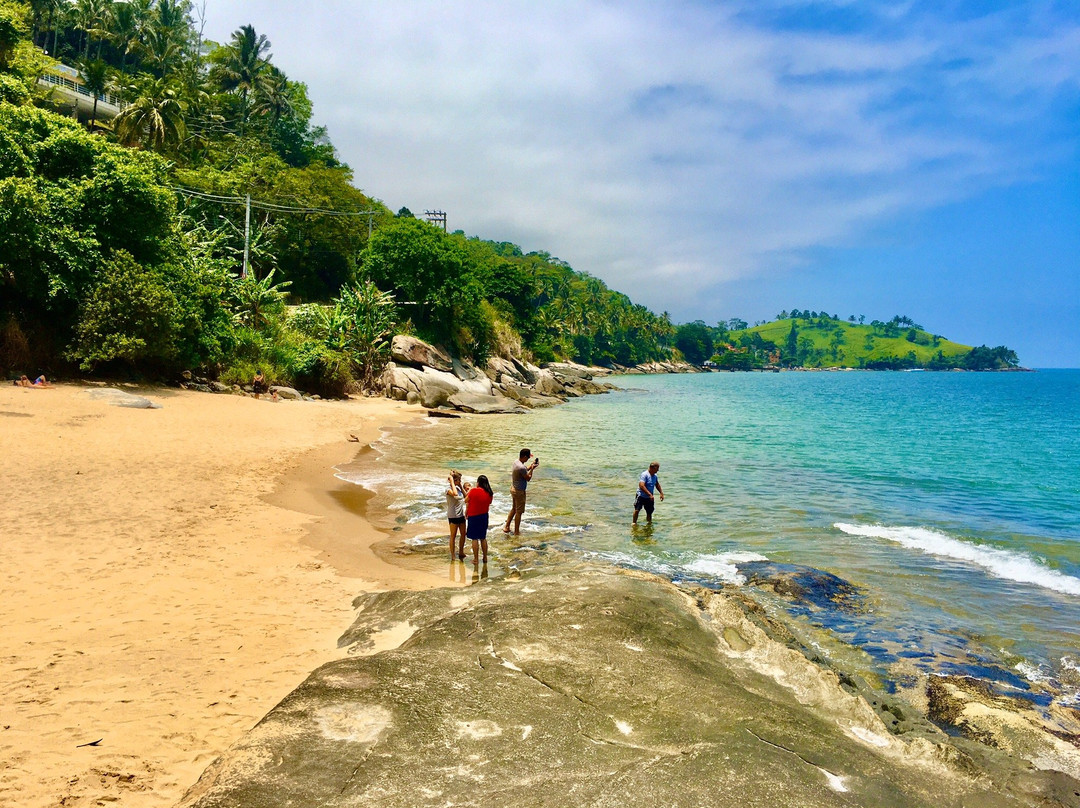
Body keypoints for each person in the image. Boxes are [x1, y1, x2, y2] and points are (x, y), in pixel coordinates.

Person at [503, 448, 539, 535]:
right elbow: (528, 478)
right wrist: (532, 469)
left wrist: (531, 466)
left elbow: (524, 470)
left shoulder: (516, 462)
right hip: (519, 491)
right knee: (519, 512)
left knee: (514, 509)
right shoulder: (521, 467)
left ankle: (507, 526)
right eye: (528, 457)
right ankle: (516, 531)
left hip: (514, 488)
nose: (528, 459)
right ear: (524, 456)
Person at [465, 475, 494, 565]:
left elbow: (466, 500)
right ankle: (485, 557)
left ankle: (476, 559)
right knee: (483, 538)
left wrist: (469, 491)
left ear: (478, 482)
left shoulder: (474, 491)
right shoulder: (489, 493)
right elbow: (489, 502)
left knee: (474, 538)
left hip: (473, 516)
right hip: (484, 516)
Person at [445, 471, 467, 560]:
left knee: (463, 534)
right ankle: (453, 555)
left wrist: (461, 486)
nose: (460, 481)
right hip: (453, 515)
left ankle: (461, 552)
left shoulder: (458, 488)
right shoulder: (448, 489)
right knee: (453, 535)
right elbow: (455, 494)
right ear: (454, 480)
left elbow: (466, 497)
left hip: (461, 514)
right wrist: (452, 482)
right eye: (459, 480)